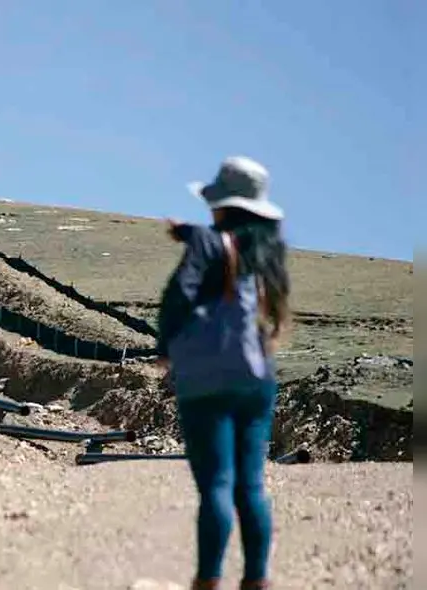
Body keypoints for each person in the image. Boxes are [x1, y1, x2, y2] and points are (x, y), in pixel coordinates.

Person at [155, 156, 291, 590]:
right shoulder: (268, 250)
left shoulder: (210, 244)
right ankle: (256, 580)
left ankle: (209, 580)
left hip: (207, 377)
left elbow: (179, 293)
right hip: (257, 377)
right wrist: (189, 233)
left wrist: (165, 346)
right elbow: (221, 244)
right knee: (250, 487)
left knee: (216, 484)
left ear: (223, 206)